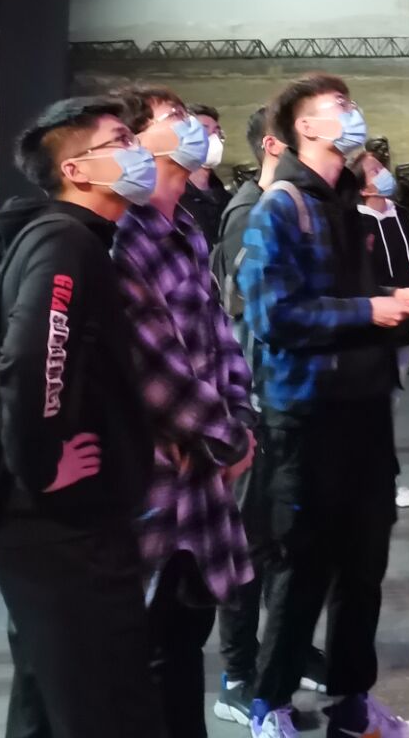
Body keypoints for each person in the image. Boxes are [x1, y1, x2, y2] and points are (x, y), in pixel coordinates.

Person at [236, 75, 409, 738]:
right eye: (339, 107)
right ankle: (270, 706)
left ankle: (353, 706)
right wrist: (372, 310)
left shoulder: (349, 205)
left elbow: (355, 300)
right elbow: (273, 316)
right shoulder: (280, 207)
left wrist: (400, 307)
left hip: (365, 410)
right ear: (305, 129)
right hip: (307, 416)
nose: (354, 115)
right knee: (301, 570)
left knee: (364, 568)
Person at [0, 97, 161, 738]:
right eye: (121, 141)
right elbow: (36, 355)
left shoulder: (78, 239)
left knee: (48, 690)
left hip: (55, 517)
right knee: (98, 698)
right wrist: (43, 462)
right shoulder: (65, 242)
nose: (138, 152)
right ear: (76, 170)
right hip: (58, 519)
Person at [110, 87, 256, 738]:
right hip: (158, 472)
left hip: (203, 470)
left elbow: (220, 335)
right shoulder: (123, 237)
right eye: (174, 119)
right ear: (137, 142)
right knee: (150, 640)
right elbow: (153, 363)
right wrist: (226, 436)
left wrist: (239, 419)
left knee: (186, 630)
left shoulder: (186, 230)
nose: (194, 127)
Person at [214, 108, 325, 726]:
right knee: (250, 543)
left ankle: (287, 647)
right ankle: (237, 671)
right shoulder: (250, 211)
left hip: (288, 399)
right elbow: (255, 311)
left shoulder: (294, 205)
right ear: (277, 143)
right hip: (256, 401)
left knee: (290, 538)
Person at [357, 150, 409, 510]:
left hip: (404, 323)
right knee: (374, 407)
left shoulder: (401, 215)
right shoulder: (355, 221)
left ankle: (385, 480)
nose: (383, 173)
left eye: (381, 166)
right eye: (374, 170)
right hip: (373, 324)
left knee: (392, 403)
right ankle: (377, 483)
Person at [181, 104, 231, 248]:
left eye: (217, 131)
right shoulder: (176, 202)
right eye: (203, 130)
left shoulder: (226, 198)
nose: (214, 137)